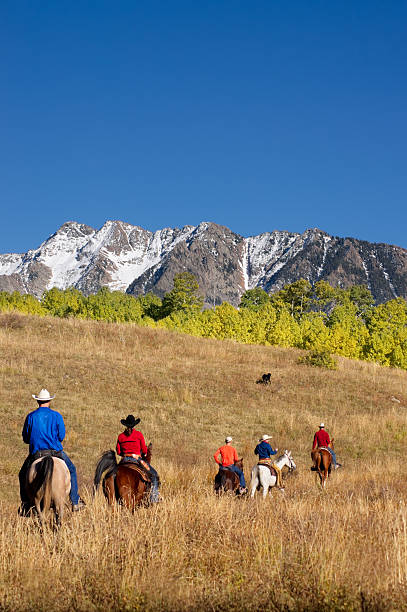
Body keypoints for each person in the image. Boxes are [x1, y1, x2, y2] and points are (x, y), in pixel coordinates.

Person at [19, 388, 85, 514]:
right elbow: (61, 436)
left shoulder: (31, 416)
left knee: (22, 474)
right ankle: (75, 502)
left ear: (38, 401)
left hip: (37, 453)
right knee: (72, 470)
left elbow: (26, 438)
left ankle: (26, 504)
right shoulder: (57, 416)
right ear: (49, 401)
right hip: (56, 452)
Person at [116, 414, 160, 503]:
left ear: (125, 425)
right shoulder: (138, 435)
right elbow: (144, 450)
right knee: (154, 475)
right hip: (136, 459)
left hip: (124, 460)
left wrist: (126, 454)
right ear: (134, 425)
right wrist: (142, 453)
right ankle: (153, 498)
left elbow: (118, 452)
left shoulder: (120, 436)